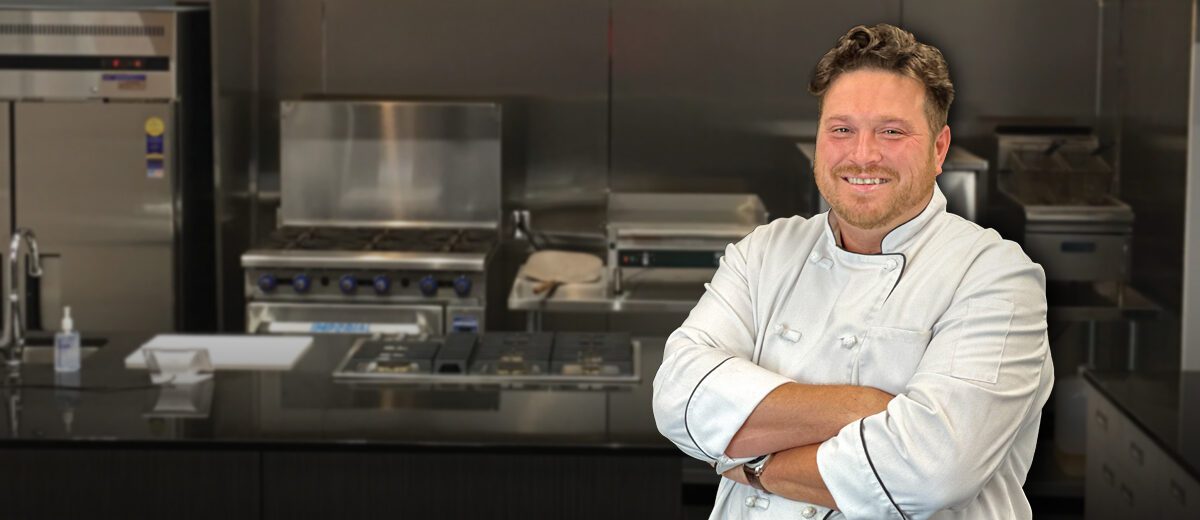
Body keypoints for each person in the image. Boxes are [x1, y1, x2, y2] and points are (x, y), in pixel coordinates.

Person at [652, 23, 1054, 519]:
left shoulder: (995, 277)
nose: (863, 154)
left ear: (939, 148)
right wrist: (864, 405)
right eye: (842, 129)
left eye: (892, 131)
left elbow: (930, 471)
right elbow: (677, 400)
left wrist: (760, 469)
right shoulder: (764, 252)